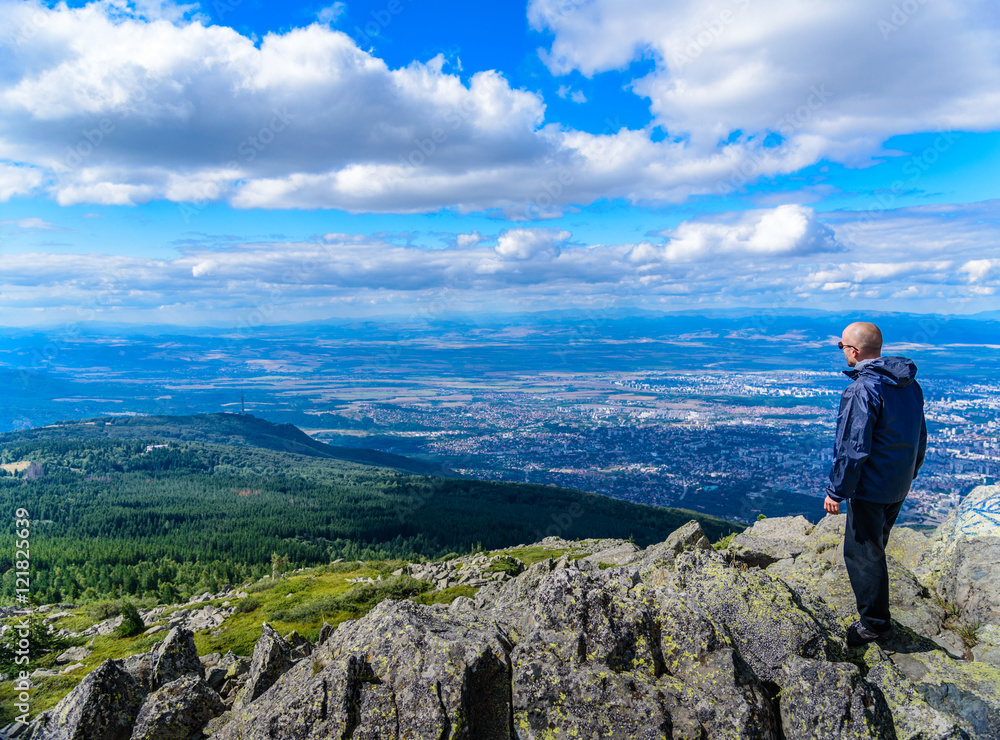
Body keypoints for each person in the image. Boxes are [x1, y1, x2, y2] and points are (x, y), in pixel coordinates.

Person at [823, 321, 927, 647]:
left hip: (871, 487)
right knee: (876, 548)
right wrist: (911, 472)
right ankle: (877, 616)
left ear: (853, 351)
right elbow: (919, 436)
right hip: (898, 482)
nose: (842, 352)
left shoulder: (862, 390)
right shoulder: (907, 384)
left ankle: (874, 626)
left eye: (842, 347)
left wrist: (837, 490)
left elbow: (853, 448)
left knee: (863, 554)